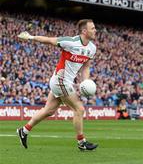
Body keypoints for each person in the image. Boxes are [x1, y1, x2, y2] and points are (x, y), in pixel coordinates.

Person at [17, 19, 98, 151]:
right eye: (93, 28)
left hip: (64, 82)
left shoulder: (92, 48)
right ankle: (81, 142)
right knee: (79, 109)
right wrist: (30, 37)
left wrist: (85, 82)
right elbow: (49, 40)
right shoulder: (70, 42)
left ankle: (24, 131)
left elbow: (86, 67)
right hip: (60, 80)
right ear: (84, 31)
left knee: (49, 110)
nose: (95, 30)